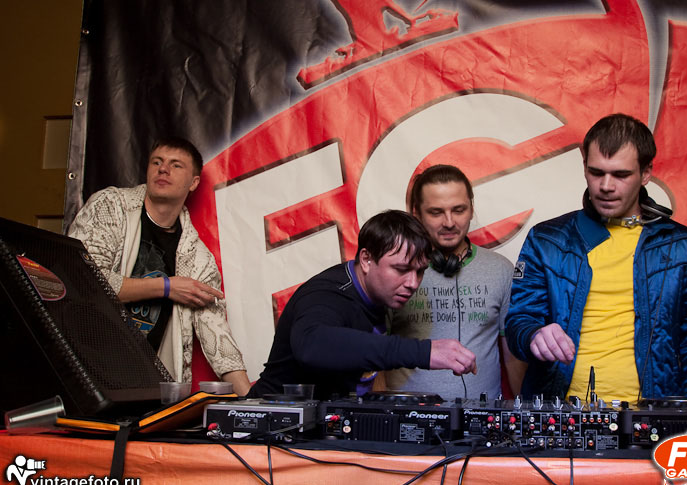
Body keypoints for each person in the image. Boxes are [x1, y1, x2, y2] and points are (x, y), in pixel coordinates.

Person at [505, 114, 687, 403]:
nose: (606, 185)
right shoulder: (546, 240)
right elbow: (518, 322)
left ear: (646, 173)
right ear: (584, 167)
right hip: (562, 415)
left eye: (620, 175)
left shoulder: (679, 244)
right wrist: (533, 335)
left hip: (651, 414)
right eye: (596, 172)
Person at [68, 137, 251, 395]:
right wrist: (166, 287)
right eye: (157, 162)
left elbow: (217, 336)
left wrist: (252, 403)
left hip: (142, 387)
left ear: (193, 183)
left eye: (176, 165)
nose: (163, 169)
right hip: (82, 369)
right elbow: (81, 281)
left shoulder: (196, 257)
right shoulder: (111, 206)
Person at [249, 210, 478, 401]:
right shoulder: (327, 294)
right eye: (401, 269)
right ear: (367, 259)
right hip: (272, 431)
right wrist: (424, 352)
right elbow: (312, 345)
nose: (412, 283)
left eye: (420, 271)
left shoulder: (378, 294)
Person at [385, 165, 525, 400]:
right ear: (416, 213)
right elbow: (376, 354)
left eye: (459, 210)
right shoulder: (396, 271)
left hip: (481, 416)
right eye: (436, 212)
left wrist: (525, 413)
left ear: (471, 209)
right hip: (407, 416)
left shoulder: (501, 270)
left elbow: (512, 357)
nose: (449, 222)